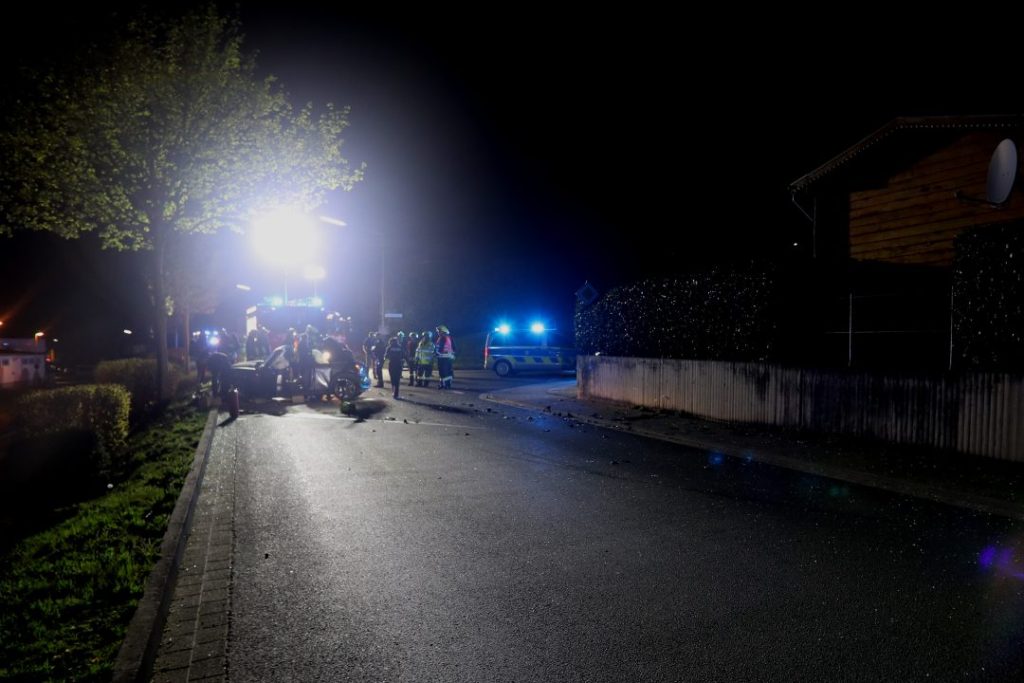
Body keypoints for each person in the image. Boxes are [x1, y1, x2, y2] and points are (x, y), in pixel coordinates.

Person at [435, 325, 454, 389]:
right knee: (447, 371)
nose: (438, 333)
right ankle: (446, 384)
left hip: (443, 357)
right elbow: (454, 348)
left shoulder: (442, 338)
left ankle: (444, 385)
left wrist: (436, 353)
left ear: (443, 331)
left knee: (443, 372)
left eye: (439, 331)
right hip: (448, 357)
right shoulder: (449, 338)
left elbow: (440, 348)